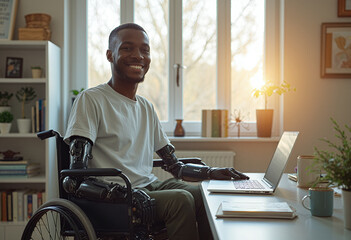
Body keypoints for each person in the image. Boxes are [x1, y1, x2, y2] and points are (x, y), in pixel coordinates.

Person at [64, 23, 249, 240]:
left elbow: (174, 166)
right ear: (109, 55)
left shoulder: (145, 107)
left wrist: (210, 173)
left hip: (147, 185)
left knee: (204, 195)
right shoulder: (92, 99)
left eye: (145, 50)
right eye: (127, 48)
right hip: (113, 195)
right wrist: (125, 194)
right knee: (180, 200)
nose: (138, 56)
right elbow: (74, 179)